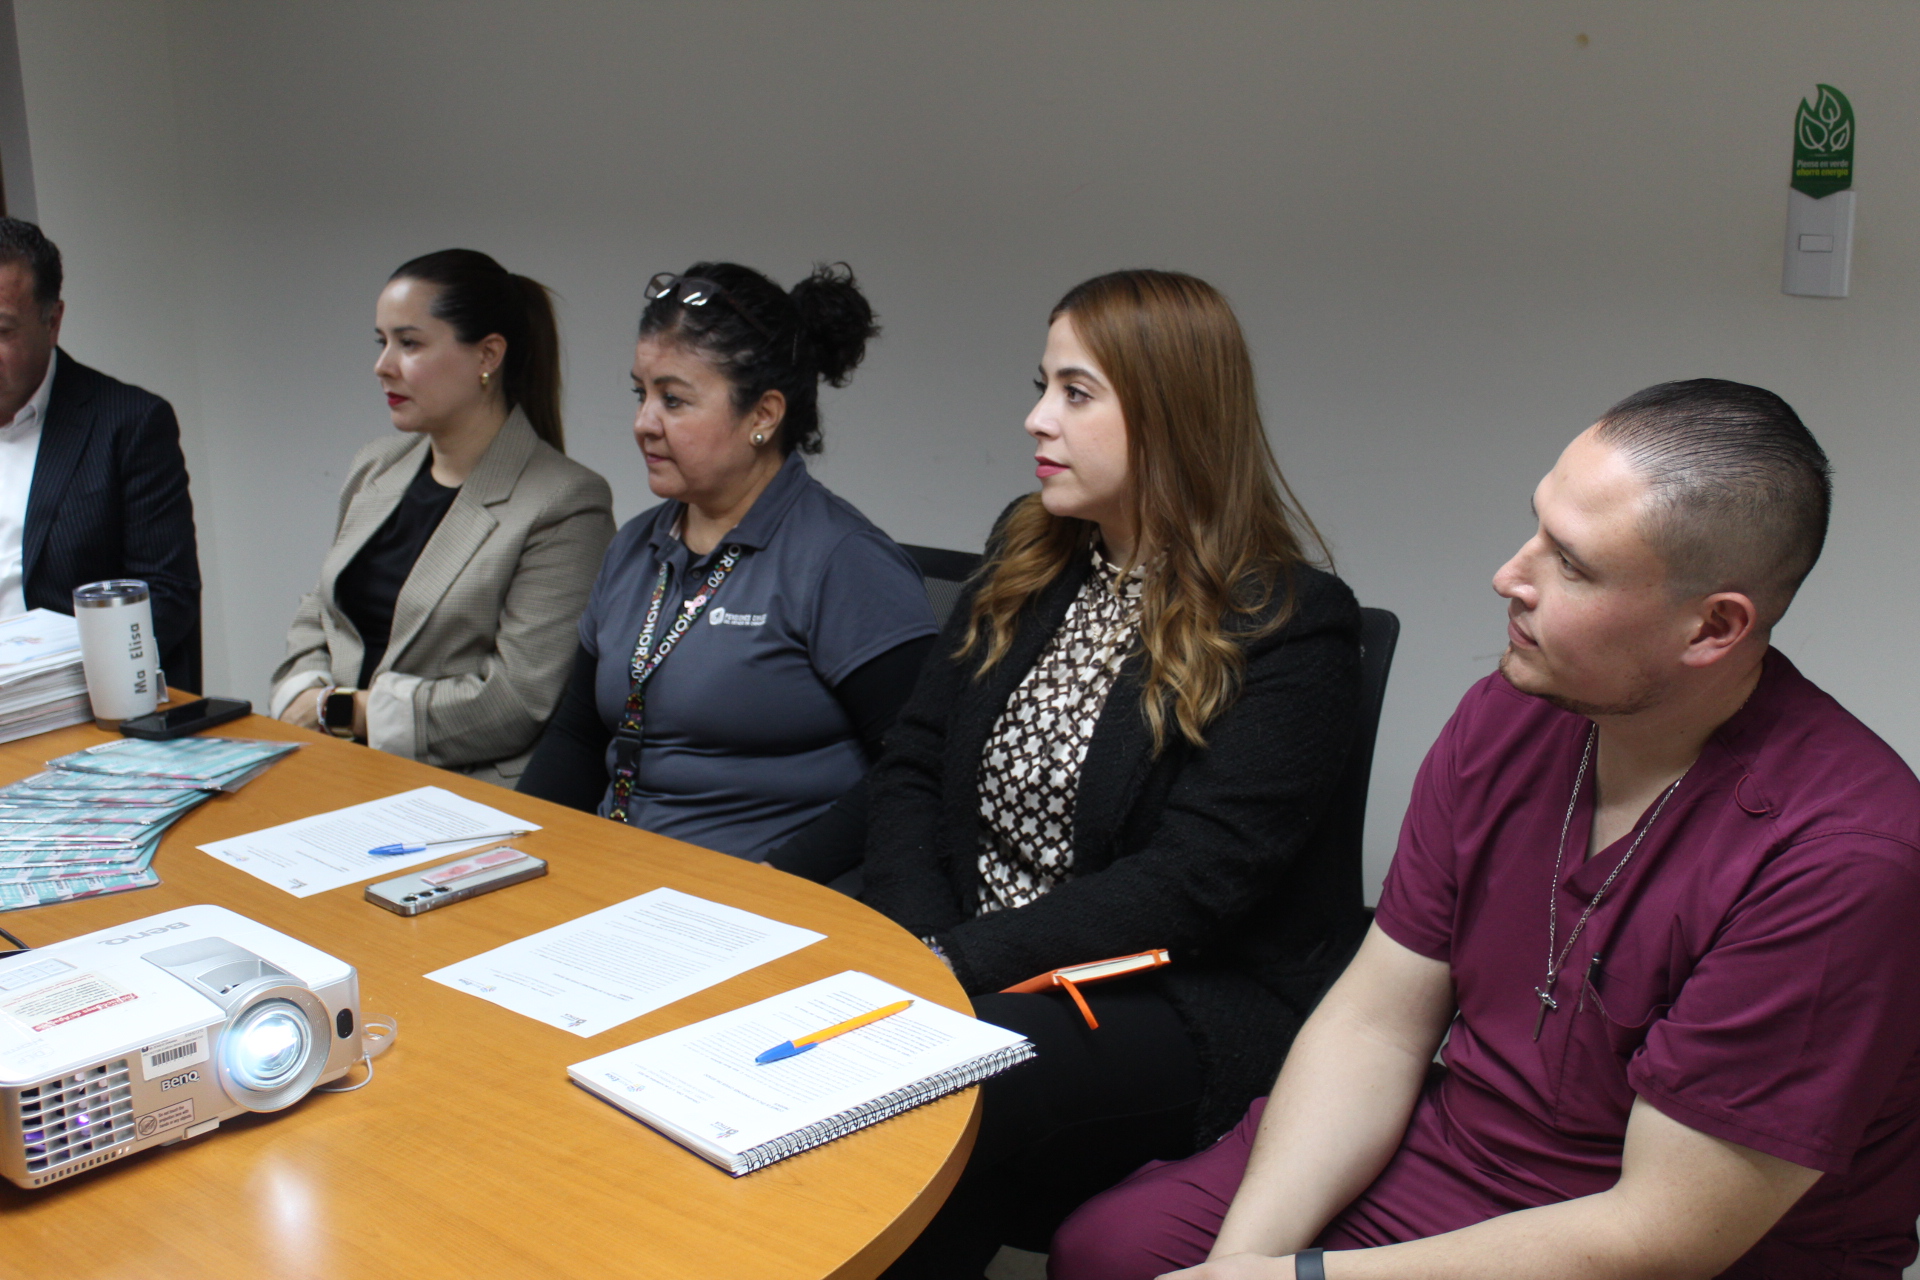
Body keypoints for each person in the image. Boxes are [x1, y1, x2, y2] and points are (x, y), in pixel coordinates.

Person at [1051, 380, 1920, 1280]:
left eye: (1572, 566)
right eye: (1536, 528)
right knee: (1109, 1254)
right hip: (1459, 1157)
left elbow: (1662, 1234)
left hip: (1674, 1243)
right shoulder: (1509, 716)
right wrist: (1243, 1262)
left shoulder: (1843, 860)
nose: (1510, 576)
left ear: (1713, 627)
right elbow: (1377, 1025)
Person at [862, 270, 1366, 1278]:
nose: (1036, 418)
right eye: (1042, 385)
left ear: (1172, 415)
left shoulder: (1291, 622)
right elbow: (912, 762)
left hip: (1174, 991)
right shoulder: (1028, 550)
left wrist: (952, 964)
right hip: (969, 953)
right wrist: (923, 944)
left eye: (1076, 393)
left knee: (932, 1079)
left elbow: (1193, 882)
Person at [516, 261, 937, 861]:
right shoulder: (636, 545)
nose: (643, 423)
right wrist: (516, 854)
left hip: (762, 892)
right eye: (641, 393)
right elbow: (578, 736)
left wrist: (772, 882)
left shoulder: (842, 560)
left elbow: (916, 768)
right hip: (616, 875)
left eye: (674, 400)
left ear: (763, 415)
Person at [271, 249, 614, 787]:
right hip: (332, 764)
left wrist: (344, 711)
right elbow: (321, 611)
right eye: (382, 342)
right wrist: (305, 695)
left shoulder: (565, 501)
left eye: (409, 343)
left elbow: (516, 701)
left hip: (461, 792)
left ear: (488, 355)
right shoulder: (375, 465)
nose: (383, 365)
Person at [0, 217, 202, 689]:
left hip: (71, 695)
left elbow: (166, 598)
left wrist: (47, 682)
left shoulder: (128, 424)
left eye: (2, 330)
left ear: (52, 322)